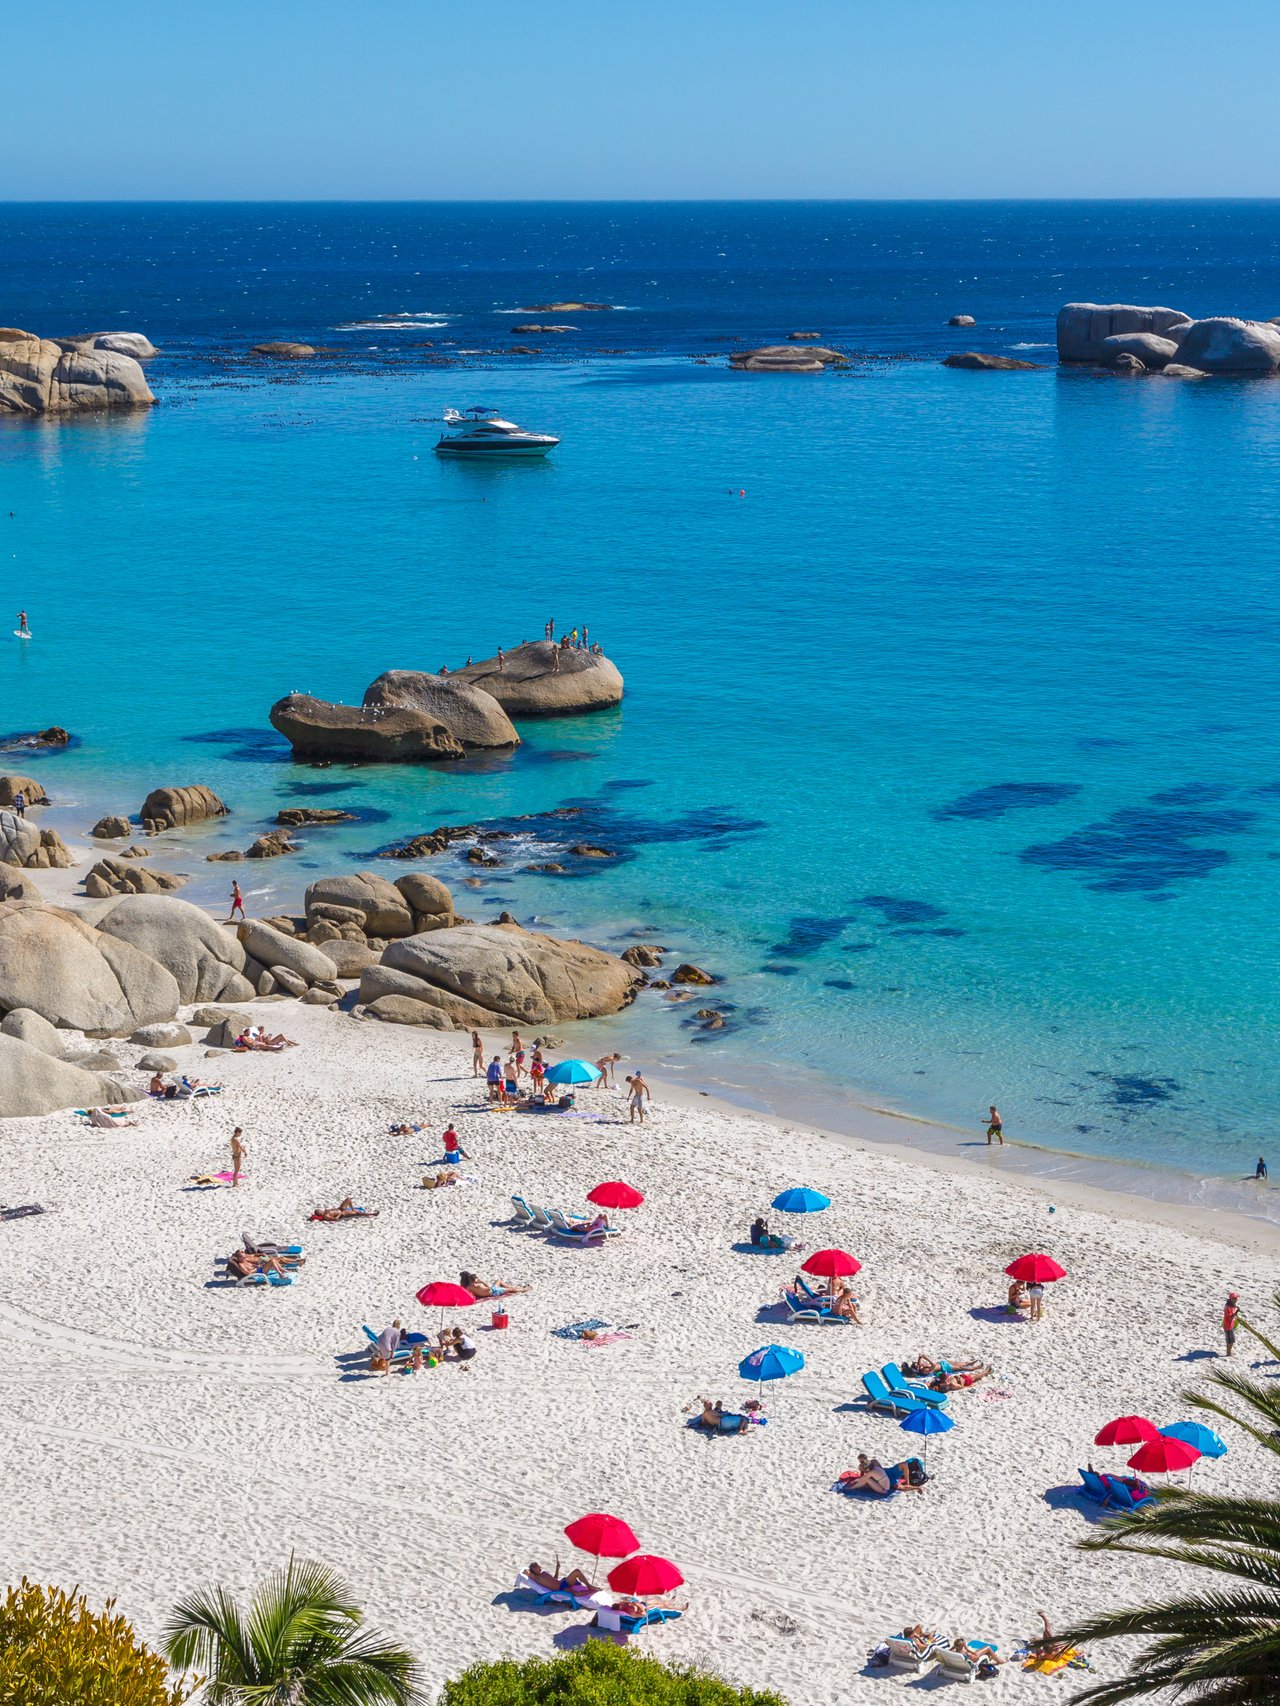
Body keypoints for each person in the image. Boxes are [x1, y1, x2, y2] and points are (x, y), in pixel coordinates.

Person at [460, 1271, 529, 1298]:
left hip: (485, 1294)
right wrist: (483, 1282)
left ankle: (510, 1287)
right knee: (510, 1289)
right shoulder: (479, 1285)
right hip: (493, 1292)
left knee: (499, 1282)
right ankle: (524, 1289)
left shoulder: (468, 1287)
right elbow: (489, 1288)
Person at [929, 1363, 994, 1391]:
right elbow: (962, 1387)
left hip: (962, 1377)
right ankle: (986, 1371)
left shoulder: (943, 1381)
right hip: (966, 1380)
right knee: (977, 1376)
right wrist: (959, 1380)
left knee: (976, 1376)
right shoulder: (952, 1384)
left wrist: (957, 1377)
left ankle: (987, 1371)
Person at [1223, 1291, 1240, 1357]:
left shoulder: (1232, 1306)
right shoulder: (1228, 1307)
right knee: (1230, 1340)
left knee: (1230, 1340)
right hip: (1228, 1326)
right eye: (1234, 1299)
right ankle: (1228, 1353)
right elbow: (1230, 1318)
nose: (1235, 1300)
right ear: (1231, 1299)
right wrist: (1236, 1312)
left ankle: (1229, 1352)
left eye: (1236, 1299)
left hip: (1231, 1325)